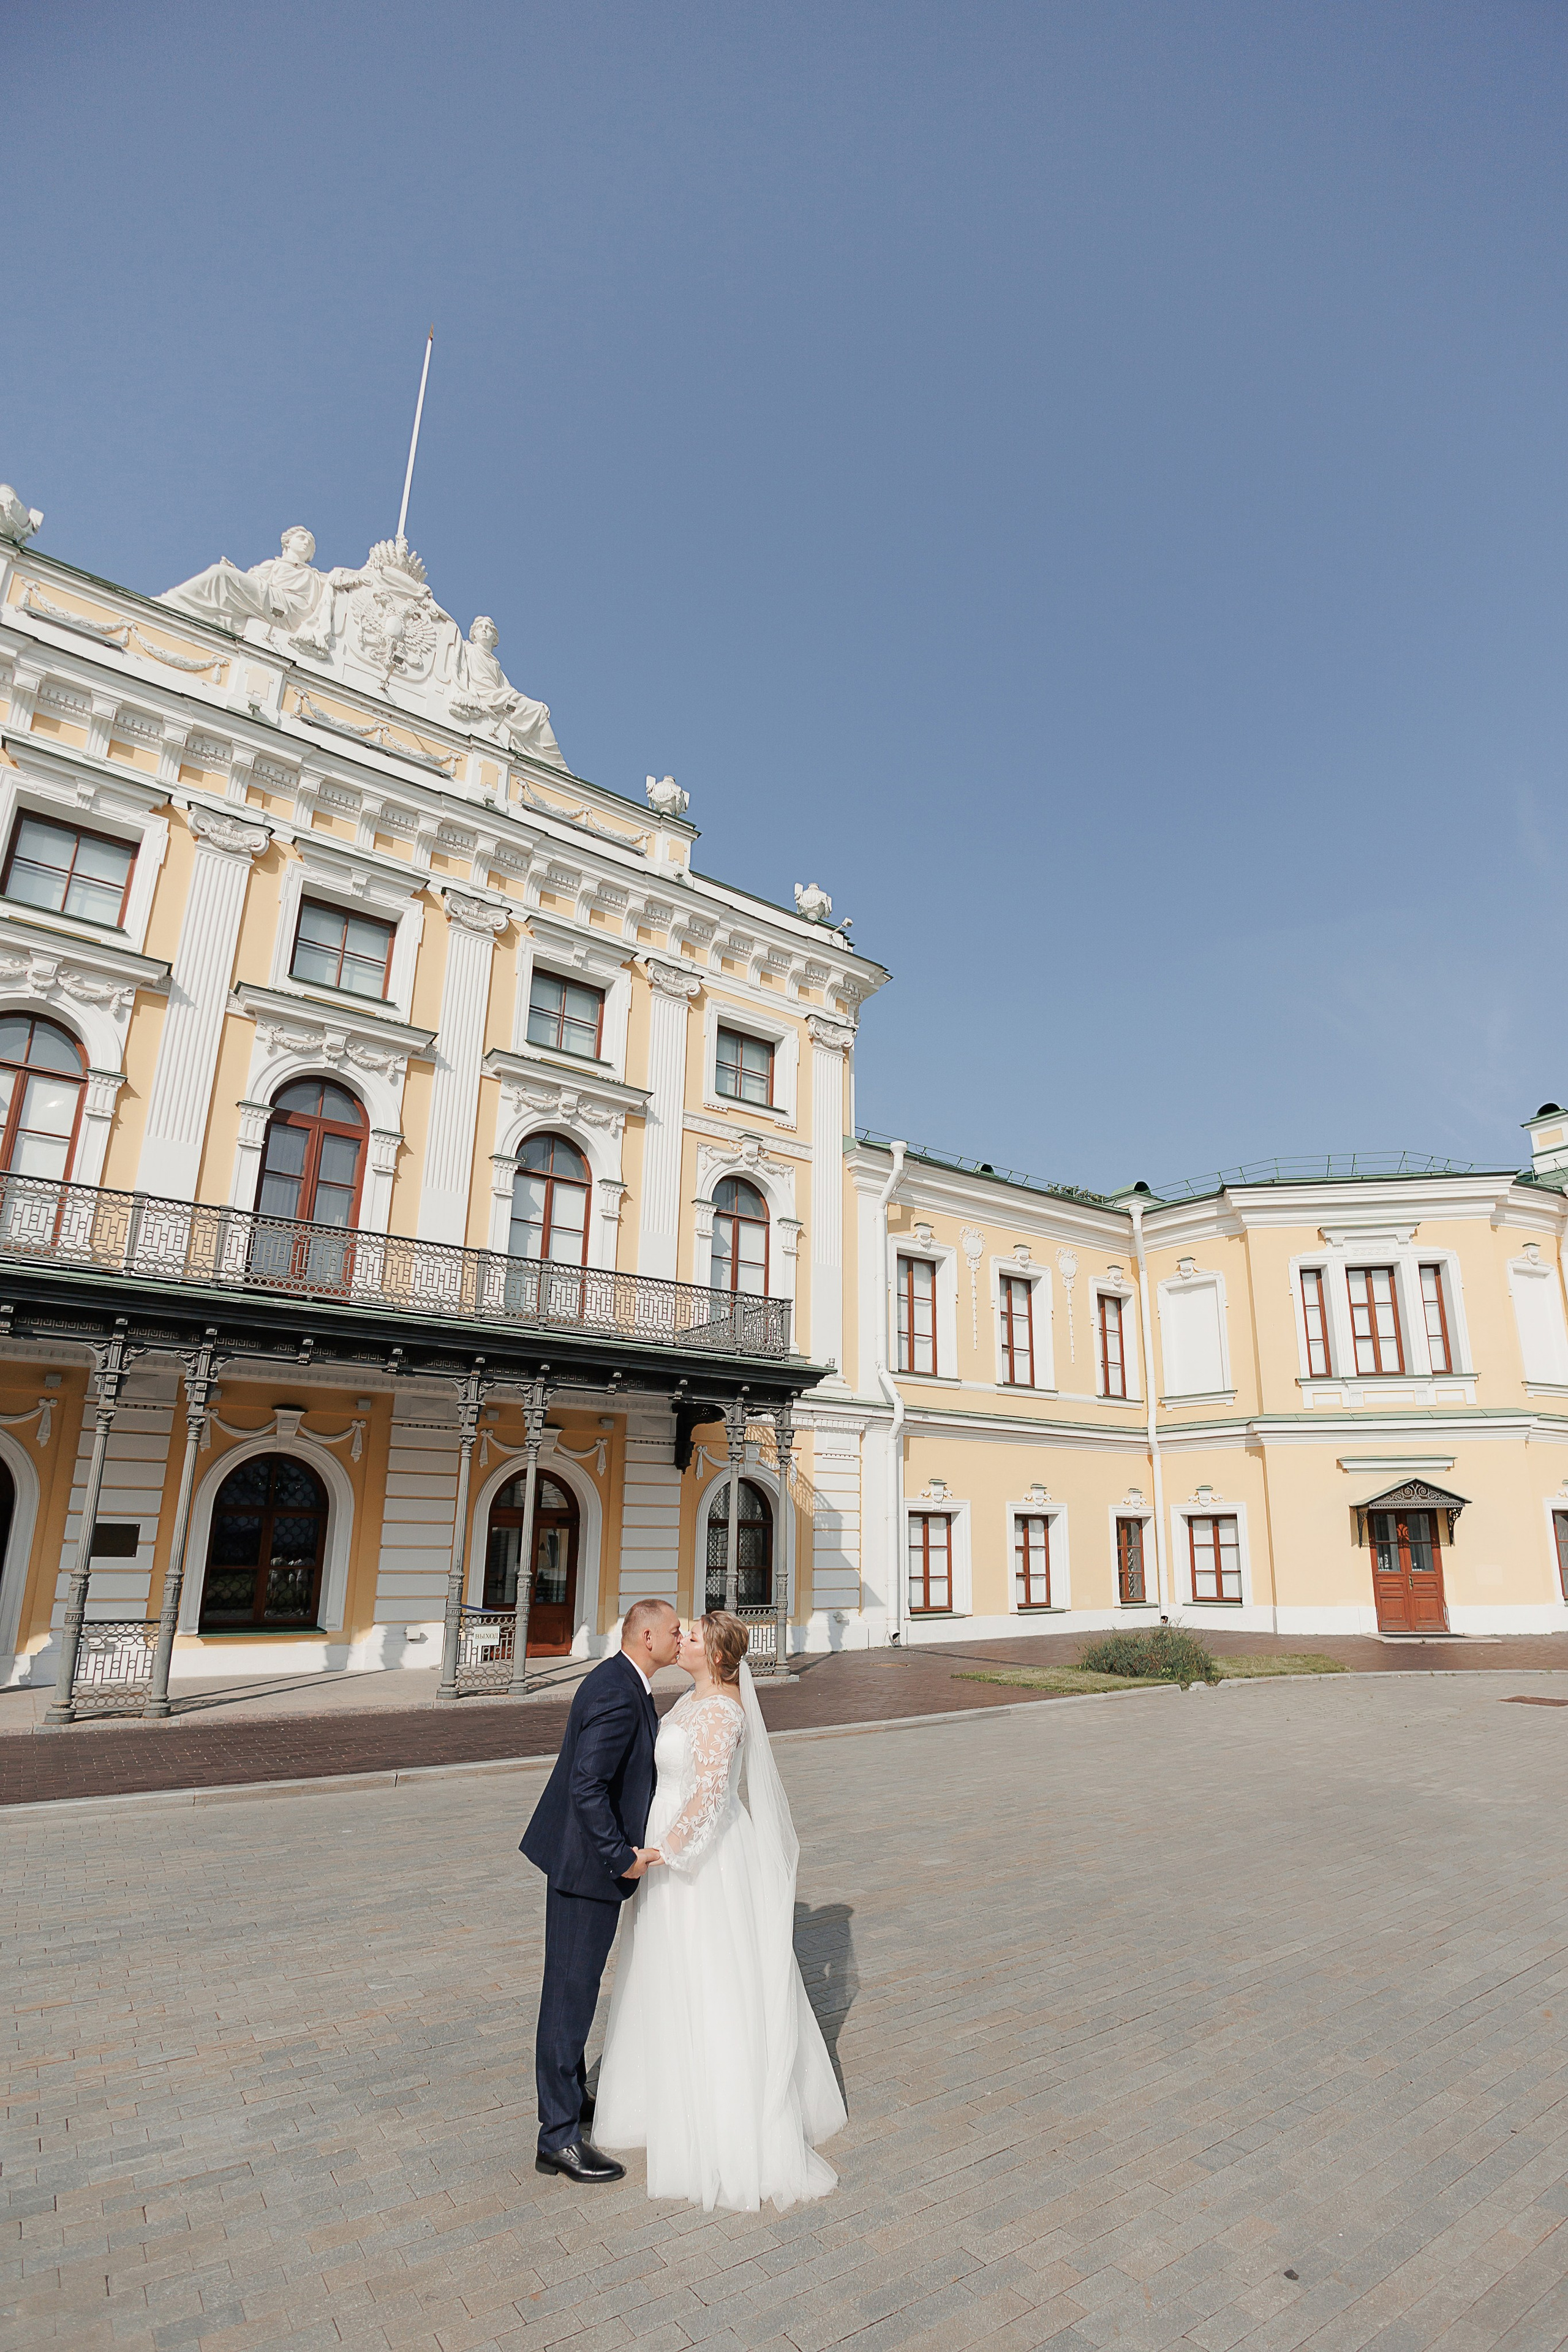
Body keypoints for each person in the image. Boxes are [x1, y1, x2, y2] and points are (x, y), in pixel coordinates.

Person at [594, 1610, 846, 2212]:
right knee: (666, 1974)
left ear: (718, 1654)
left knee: (709, 1976)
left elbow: (709, 1796)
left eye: (692, 1637)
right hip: (672, 1849)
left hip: (698, 1861)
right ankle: (659, 2097)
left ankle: (719, 2110)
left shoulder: (722, 1710)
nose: (681, 1640)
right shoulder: (689, 1700)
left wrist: (664, 1851)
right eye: (681, 1633)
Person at [519, 1595, 682, 2184]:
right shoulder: (618, 1691)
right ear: (645, 1637)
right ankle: (557, 2139)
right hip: (585, 1868)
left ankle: (571, 2099)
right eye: (673, 1630)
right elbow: (588, 1785)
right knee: (569, 1995)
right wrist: (622, 1857)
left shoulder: (622, 1679)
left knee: (576, 1990)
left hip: (580, 1863)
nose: (679, 1637)